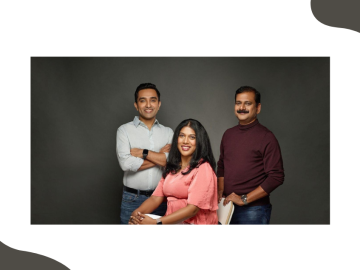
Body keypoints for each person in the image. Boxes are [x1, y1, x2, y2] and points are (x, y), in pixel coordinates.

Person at [129, 119, 218, 225]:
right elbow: (155, 198)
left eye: (192, 137)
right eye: (182, 136)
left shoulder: (203, 168)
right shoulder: (172, 167)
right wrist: (136, 214)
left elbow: (193, 209)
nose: (185, 141)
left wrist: (157, 222)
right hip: (171, 223)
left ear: (200, 141)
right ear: (176, 139)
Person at [217, 86, 284, 224]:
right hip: (226, 207)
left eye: (248, 103)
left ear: (258, 108)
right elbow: (222, 165)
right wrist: (220, 192)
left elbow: (276, 176)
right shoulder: (228, 134)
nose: (242, 107)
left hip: (254, 210)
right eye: (238, 103)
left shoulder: (266, 137)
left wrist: (244, 199)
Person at [116, 83, 174, 224]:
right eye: (143, 100)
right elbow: (126, 164)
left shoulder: (168, 132)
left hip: (162, 199)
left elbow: (172, 162)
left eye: (153, 100)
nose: (148, 105)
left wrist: (144, 153)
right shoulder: (124, 131)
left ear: (159, 104)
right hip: (132, 199)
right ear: (136, 105)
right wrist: (159, 156)